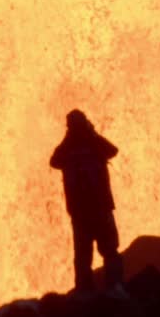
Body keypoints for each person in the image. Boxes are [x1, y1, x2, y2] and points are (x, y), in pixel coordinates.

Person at [49, 109, 124, 293]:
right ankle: (107, 289)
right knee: (99, 252)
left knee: (92, 253)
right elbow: (54, 161)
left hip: (90, 209)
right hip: (92, 209)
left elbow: (112, 150)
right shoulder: (77, 147)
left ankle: (98, 290)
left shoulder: (78, 147)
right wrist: (88, 134)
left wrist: (86, 136)